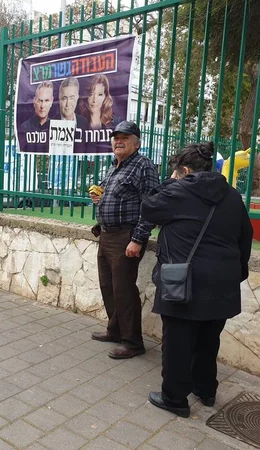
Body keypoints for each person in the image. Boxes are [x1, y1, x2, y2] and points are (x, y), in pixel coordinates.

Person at [140, 142, 253, 418]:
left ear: (185, 171)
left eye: (176, 172)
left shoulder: (178, 190)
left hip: (184, 281)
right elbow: (245, 238)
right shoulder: (232, 196)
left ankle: (175, 399)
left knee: (178, 341)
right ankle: (206, 390)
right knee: (208, 340)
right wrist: (237, 272)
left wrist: (170, 181)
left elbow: (148, 208)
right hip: (222, 283)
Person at [89, 120, 159, 359]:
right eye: (116, 137)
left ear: (136, 143)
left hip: (125, 236)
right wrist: (98, 197)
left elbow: (151, 206)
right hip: (106, 234)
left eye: (124, 138)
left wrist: (138, 239)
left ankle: (133, 342)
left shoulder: (143, 165)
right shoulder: (114, 167)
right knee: (108, 286)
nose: (118, 141)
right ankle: (115, 330)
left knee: (124, 290)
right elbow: (114, 196)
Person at [19, 81, 54, 152]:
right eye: (40, 100)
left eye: (47, 100)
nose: (42, 106)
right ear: (34, 101)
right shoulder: (25, 127)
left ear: (52, 102)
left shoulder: (55, 127)